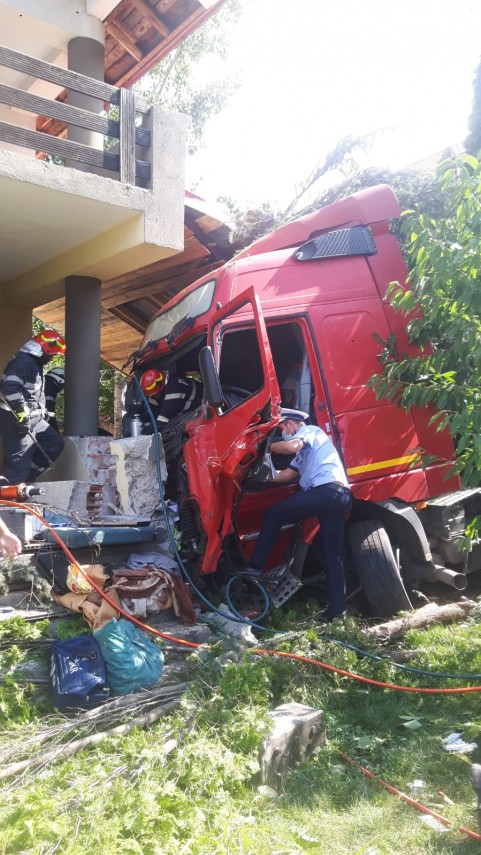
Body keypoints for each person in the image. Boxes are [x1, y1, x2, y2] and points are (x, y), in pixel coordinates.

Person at [243, 407, 353, 621]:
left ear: (291, 423)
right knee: (333, 555)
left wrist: (264, 445)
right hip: (339, 498)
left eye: (282, 426)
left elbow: (292, 446)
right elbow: (285, 476)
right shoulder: (305, 452)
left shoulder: (310, 431)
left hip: (326, 491)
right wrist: (259, 475)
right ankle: (338, 611)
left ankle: (254, 568)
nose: (283, 430)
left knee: (275, 514)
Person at [0, 331, 66, 483]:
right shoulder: (23, 361)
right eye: (53, 354)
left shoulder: (35, 363)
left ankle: (23, 480)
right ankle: (10, 498)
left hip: (33, 419)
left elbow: (33, 393)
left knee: (54, 443)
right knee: (19, 461)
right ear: (46, 348)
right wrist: (21, 413)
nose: (52, 358)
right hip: (15, 419)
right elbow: (9, 387)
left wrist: (42, 414)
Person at [124, 369, 203, 436]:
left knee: (173, 427)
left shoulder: (174, 388)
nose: (152, 397)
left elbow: (163, 419)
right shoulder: (157, 391)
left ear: (161, 388)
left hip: (201, 405)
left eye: (154, 394)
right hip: (185, 410)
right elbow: (154, 411)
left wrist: (148, 431)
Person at [44, 366, 65, 431]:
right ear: (60, 380)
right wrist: (54, 429)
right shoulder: (50, 385)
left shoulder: (45, 382)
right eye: (62, 385)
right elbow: (49, 410)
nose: (60, 389)